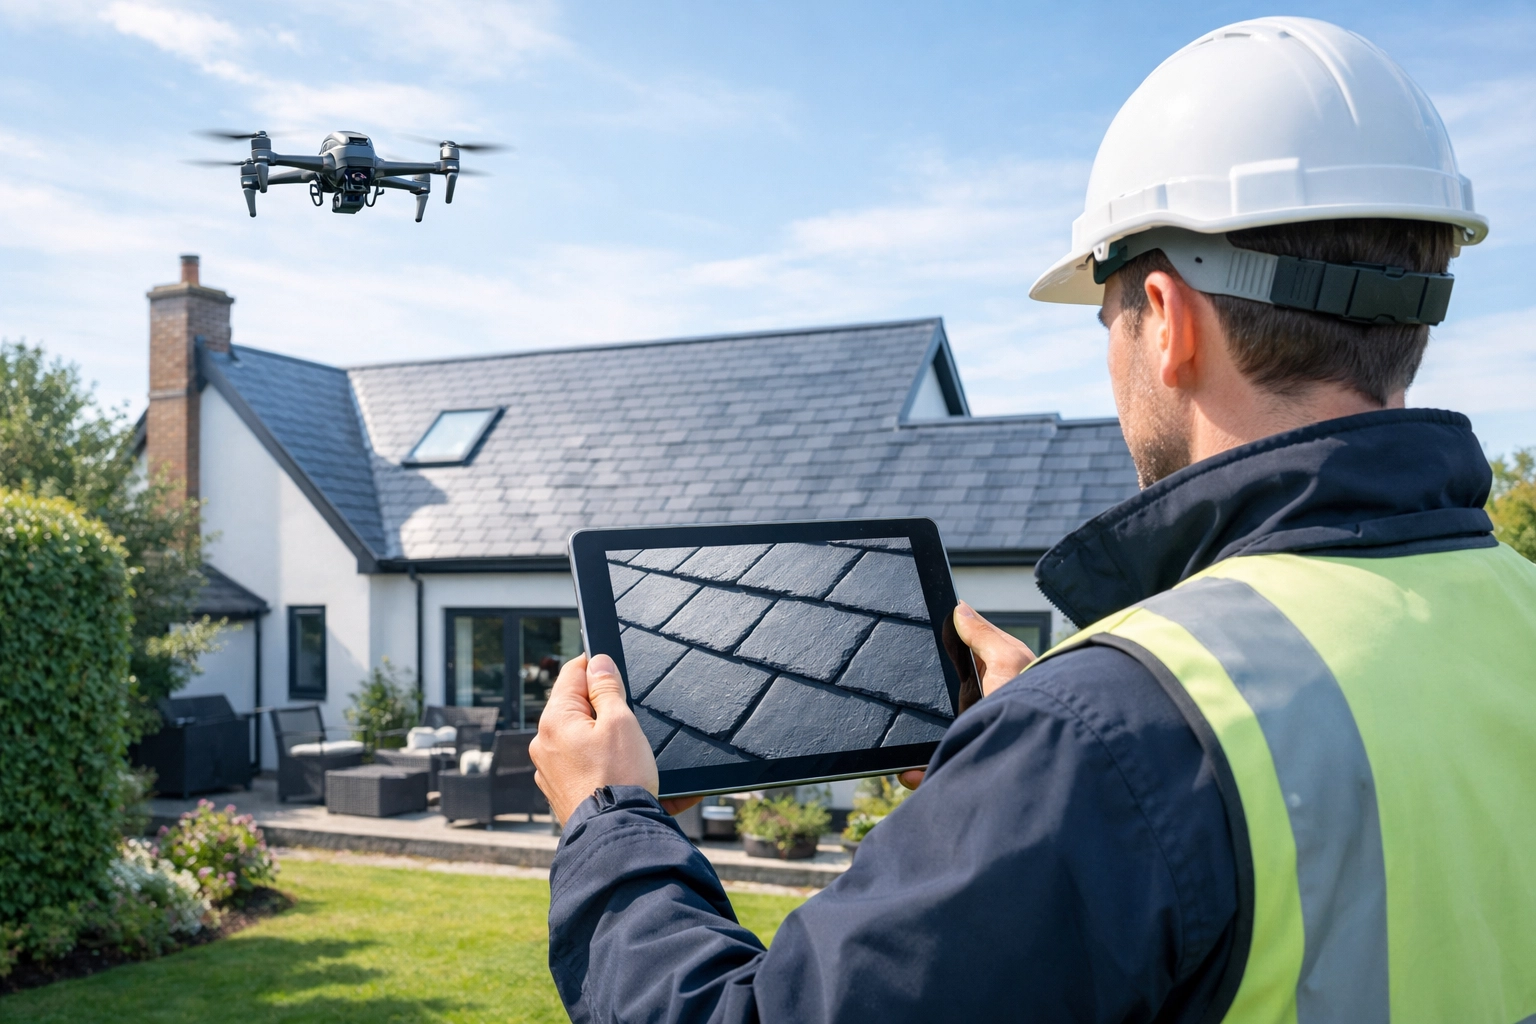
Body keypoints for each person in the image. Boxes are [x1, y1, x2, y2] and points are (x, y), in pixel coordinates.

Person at [531, 17, 1536, 1022]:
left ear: (1168, 318)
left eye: (1108, 321)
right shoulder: (1516, 613)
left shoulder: (1114, 735)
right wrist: (1018, 772)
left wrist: (608, 821)